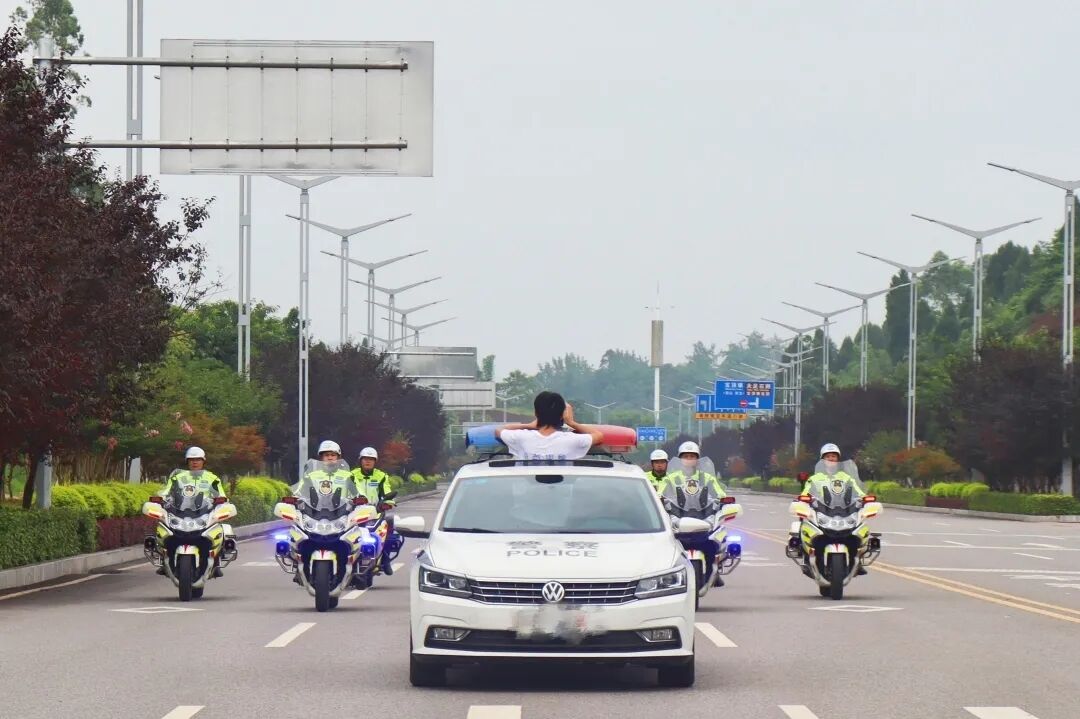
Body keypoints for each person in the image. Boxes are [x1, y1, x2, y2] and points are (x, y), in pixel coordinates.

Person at [658, 441, 729, 587]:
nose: (689, 459)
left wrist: (722, 500)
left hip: (703, 518)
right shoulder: (670, 478)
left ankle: (713, 571)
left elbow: (720, 494)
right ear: (680, 459)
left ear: (697, 459)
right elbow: (660, 494)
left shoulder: (707, 478)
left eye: (692, 456)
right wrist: (660, 500)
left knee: (714, 542)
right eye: (686, 456)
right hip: (678, 518)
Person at [157, 446, 235, 577]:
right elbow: (166, 492)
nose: (194, 462)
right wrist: (160, 499)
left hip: (204, 513)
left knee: (214, 535)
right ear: (187, 461)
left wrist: (222, 503)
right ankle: (165, 563)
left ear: (203, 461)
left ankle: (216, 562)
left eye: (198, 459)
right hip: (180, 513)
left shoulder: (212, 478)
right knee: (168, 536)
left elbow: (221, 495)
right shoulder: (177, 478)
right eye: (191, 459)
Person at [291, 440, 360, 584]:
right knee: (299, 538)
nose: (330, 458)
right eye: (326, 455)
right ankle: (300, 567)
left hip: (340, 514)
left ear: (338, 457)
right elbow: (299, 491)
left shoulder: (347, 476)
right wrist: (294, 498)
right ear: (321, 458)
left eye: (333, 455)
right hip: (315, 513)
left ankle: (351, 569)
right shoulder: (311, 475)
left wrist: (361, 499)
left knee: (353, 541)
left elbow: (357, 493)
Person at [794, 443, 867, 575]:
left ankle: (857, 562)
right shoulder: (815, 479)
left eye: (833, 456)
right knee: (809, 531)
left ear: (838, 459)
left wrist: (865, 498)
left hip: (844, 511)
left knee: (855, 535)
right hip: (822, 510)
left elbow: (858, 491)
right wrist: (803, 499)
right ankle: (806, 558)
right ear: (822, 459)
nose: (831, 459)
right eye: (828, 456)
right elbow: (806, 493)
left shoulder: (846, 477)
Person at [495, 391, 604, 460]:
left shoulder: (521, 437)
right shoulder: (573, 440)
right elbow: (598, 435)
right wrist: (571, 422)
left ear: (536, 413)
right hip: (563, 491)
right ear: (562, 416)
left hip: (528, 491)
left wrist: (529, 426)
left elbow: (499, 430)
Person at [351, 446, 398, 576]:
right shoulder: (352, 475)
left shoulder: (381, 476)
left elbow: (387, 491)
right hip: (354, 512)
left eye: (371, 459)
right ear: (360, 460)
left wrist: (388, 502)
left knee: (389, 523)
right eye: (365, 459)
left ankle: (385, 558)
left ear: (375, 461)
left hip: (375, 512)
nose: (368, 461)